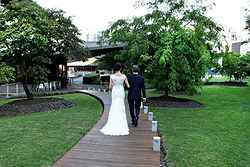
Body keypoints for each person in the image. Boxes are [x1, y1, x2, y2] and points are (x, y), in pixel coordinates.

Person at [100, 63, 130, 136]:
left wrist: (114, 85)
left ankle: (113, 122)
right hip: (121, 91)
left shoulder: (112, 76)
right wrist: (122, 84)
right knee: (121, 106)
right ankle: (122, 123)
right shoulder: (124, 76)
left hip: (115, 92)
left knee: (114, 105)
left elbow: (110, 87)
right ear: (120, 68)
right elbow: (128, 86)